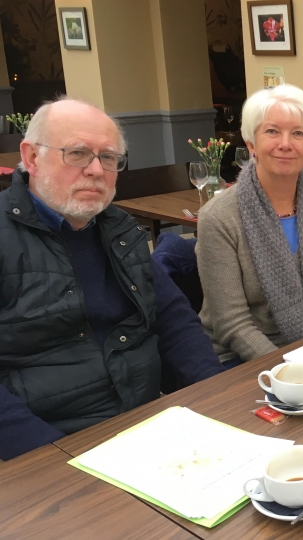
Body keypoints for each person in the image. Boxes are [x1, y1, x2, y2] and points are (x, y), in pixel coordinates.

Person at [0, 98, 224, 460]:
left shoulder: (119, 230)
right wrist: (49, 460)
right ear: (31, 158)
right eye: (77, 153)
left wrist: (219, 396)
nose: (95, 170)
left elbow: (174, 321)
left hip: (146, 427)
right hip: (49, 448)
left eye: (108, 158)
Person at [196, 84, 303, 365]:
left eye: (298, 133)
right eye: (272, 131)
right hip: (240, 359)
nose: (285, 143)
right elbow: (233, 324)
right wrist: (293, 369)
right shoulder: (218, 217)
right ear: (251, 143)